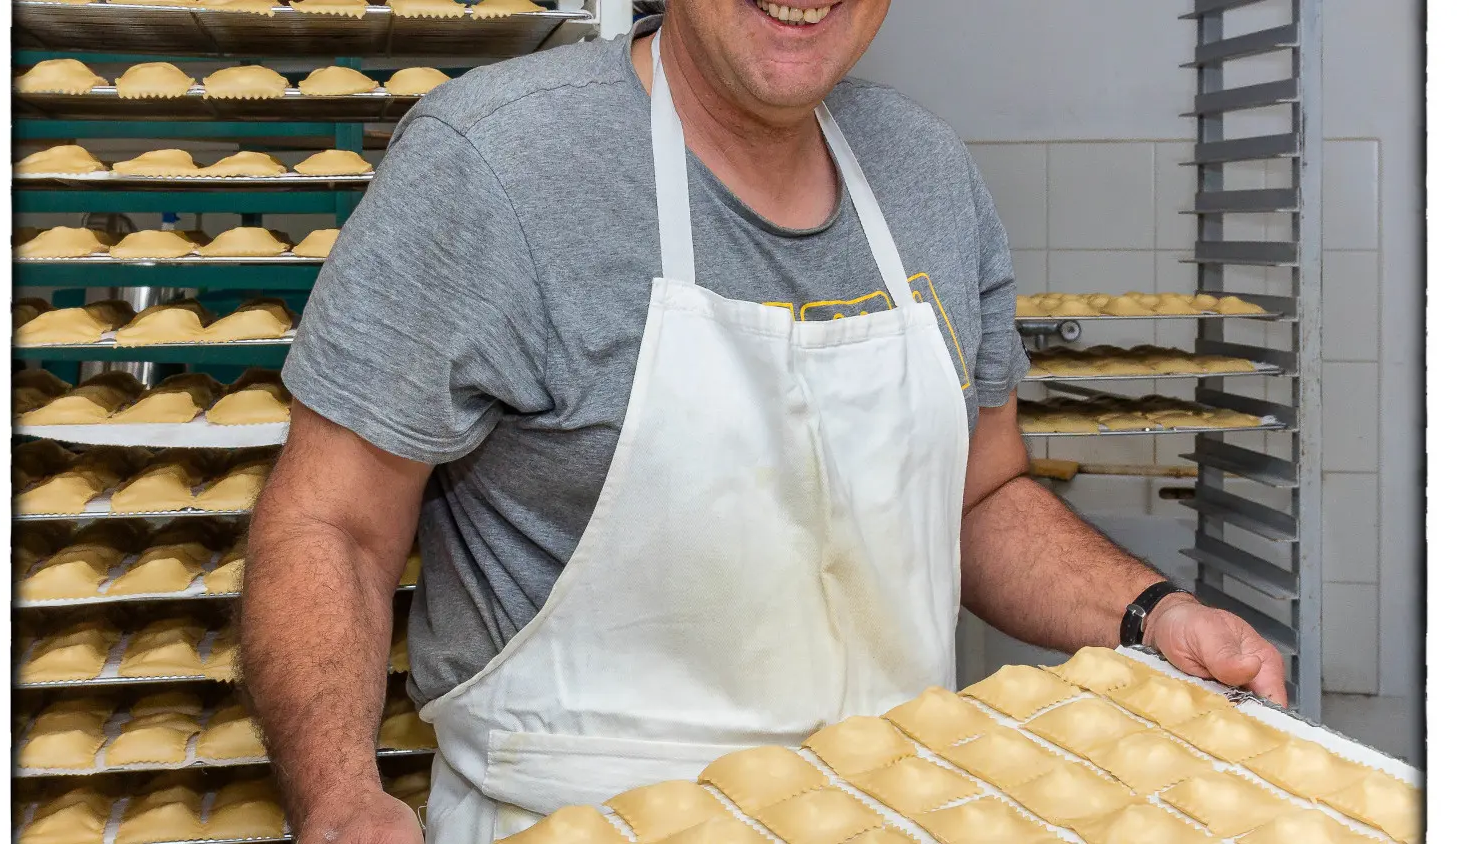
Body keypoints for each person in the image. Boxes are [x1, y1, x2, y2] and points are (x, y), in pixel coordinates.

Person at [239, 3, 1288, 843]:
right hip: (584, 815)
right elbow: (332, 525)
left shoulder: (928, 176)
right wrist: (340, 799)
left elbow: (980, 495)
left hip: (902, 804)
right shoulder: (497, 164)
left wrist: (1148, 611)